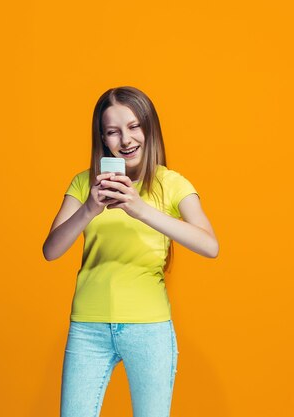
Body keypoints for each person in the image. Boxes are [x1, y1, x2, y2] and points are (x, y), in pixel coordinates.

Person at [42, 86, 219, 417]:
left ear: (149, 127)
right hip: (88, 327)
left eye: (134, 126)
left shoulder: (172, 183)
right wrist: (89, 209)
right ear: (103, 139)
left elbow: (210, 245)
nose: (125, 139)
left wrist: (139, 209)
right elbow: (51, 250)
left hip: (149, 327)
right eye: (113, 131)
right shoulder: (84, 184)